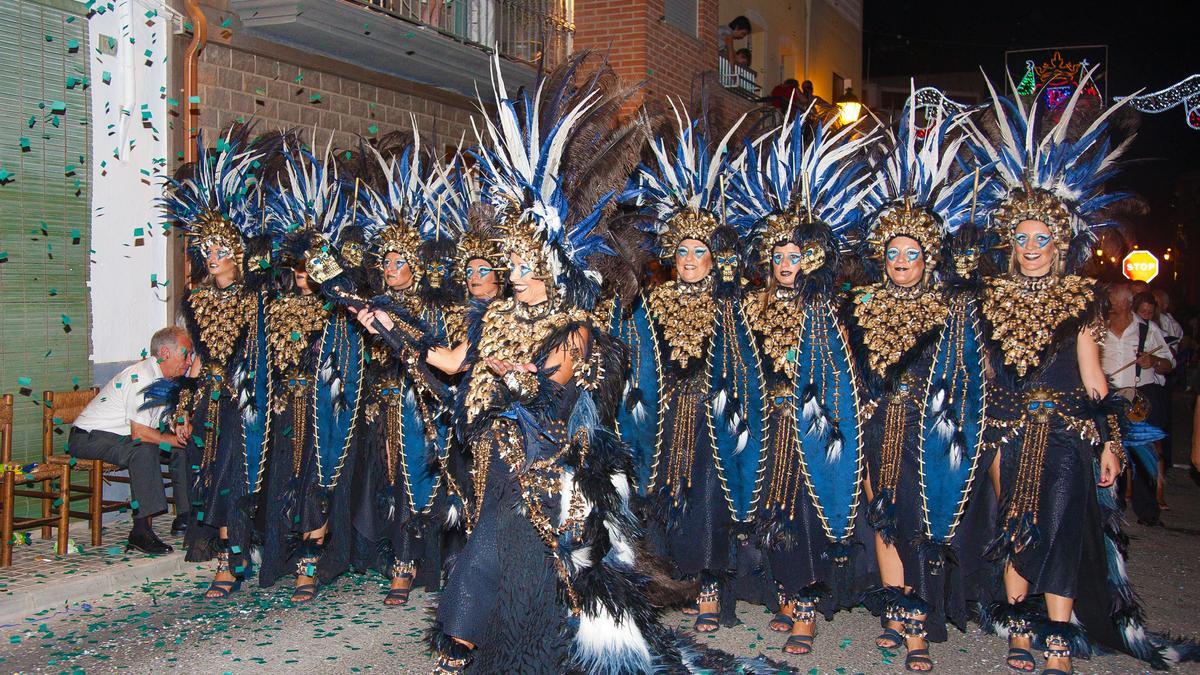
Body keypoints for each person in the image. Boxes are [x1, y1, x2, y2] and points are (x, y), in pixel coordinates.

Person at [358, 55, 782, 675]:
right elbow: (452, 362)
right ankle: (508, 648)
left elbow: (554, 383)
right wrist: (393, 332)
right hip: (497, 460)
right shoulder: (493, 314)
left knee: (504, 555)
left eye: (527, 260)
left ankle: (470, 647)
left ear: (551, 262)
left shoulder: (574, 324)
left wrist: (515, 374)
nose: (516, 271)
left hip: (547, 464)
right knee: (505, 555)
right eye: (511, 260)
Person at [969, 74, 1195, 671]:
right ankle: (1019, 628)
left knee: (1064, 525)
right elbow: (985, 374)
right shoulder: (991, 299)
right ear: (1011, 244)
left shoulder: (1082, 303)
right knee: (1013, 522)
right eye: (1022, 237)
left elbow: (1097, 380)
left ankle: (1058, 636)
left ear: (1060, 239)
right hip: (1007, 428)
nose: (1033, 245)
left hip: (1069, 433)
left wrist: (1111, 442)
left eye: (1043, 236)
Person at [847, 105, 991, 672]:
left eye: (912, 253)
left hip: (928, 433)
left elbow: (965, 375)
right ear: (880, 258)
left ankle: (917, 621)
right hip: (877, 427)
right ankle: (897, 613)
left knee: (922, 519)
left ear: (928, 258)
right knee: (883, 517)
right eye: (893, 252)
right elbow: (847, 369)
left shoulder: (953, 307)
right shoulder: (859, 305)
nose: (902, 261)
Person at [728, 108, 876, 655]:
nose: (786, 264)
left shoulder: (827, 309)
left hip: (808, 427)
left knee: (806, 512)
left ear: (810, 259)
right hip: (764, 426)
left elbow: (844, 374)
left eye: (795, 255)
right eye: (778, 255)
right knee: (770, 510)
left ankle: (808, 610)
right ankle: (786, 597)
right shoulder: (750, 304)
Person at [625, 104, 765, 635]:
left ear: (715, 257)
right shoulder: (651, 302)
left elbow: (748, 368)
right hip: (662, 420)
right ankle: (663, 585)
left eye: (699, 250)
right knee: (658, 500)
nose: (688, 258)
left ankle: (709, 591)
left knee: (707, 503)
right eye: (681, 249)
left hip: (710, 421)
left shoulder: (735, 305)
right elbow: (634, 356)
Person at [162, 128, 274, 600]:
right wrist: (181, 407)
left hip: (250, 400)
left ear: (239, 254)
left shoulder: (258, 296)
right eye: (206, 250)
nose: (212, 258)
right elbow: (194, 359)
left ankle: (233, 564)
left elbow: (266, 351)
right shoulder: (195, 299)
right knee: (214, 480)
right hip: (209, 399)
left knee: (237, 476)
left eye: (221, 249)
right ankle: (234, 555)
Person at [69, 326, 195, 554]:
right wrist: (171, 439)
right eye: (186, 354)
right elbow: (140, 432)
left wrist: (179, 427)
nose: (189, 362)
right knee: (143, 448)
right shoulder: (142, 377)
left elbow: (162, 420)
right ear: (165, 353)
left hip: (122, 438)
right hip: (89, 437)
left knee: (180, 449)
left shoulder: (167, 380)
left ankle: (185, 516)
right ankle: (141, 531)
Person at [1103, 286, 1174, 523]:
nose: (1106, 304)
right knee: (1108, 449)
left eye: (1110, 300)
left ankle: (1147, 511)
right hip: (1106, 396)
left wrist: (1152, 360)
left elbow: (1168, 364)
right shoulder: (1097, 326)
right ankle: (1110, 505)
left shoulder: (1147, 329)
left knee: (1142, 453)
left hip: (1138, 397)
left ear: (1125, 303)